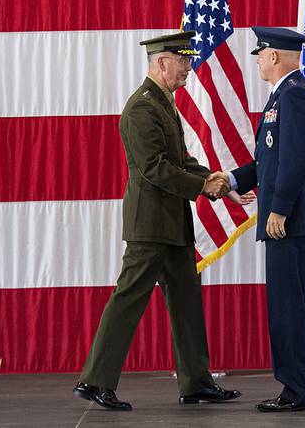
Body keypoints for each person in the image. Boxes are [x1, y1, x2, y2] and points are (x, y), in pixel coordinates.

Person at [73, 31, 241, 410]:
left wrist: (220, 182)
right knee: (129, 297)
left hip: (171, 222)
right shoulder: (142, 108)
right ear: (161, 61)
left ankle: (196, 383)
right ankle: (95, 381)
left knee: (186, 300)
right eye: (182, 60)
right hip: (150, 224)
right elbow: (154, 169)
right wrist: (205, 186)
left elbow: (180, 160)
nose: (188, 67)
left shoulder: (164, 104)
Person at [227, 27, 305, 412]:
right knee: (295, 303)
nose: (257, 60)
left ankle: (298, 390)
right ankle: (302, 388)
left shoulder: (294, 96)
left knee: (291, 307)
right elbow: (269, 159)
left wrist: (280, 207)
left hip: (291, 219)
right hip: (291, 216)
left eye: (260, 54)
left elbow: (296, 158)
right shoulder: (284, 96)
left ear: (273, 56)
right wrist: (232, 180)